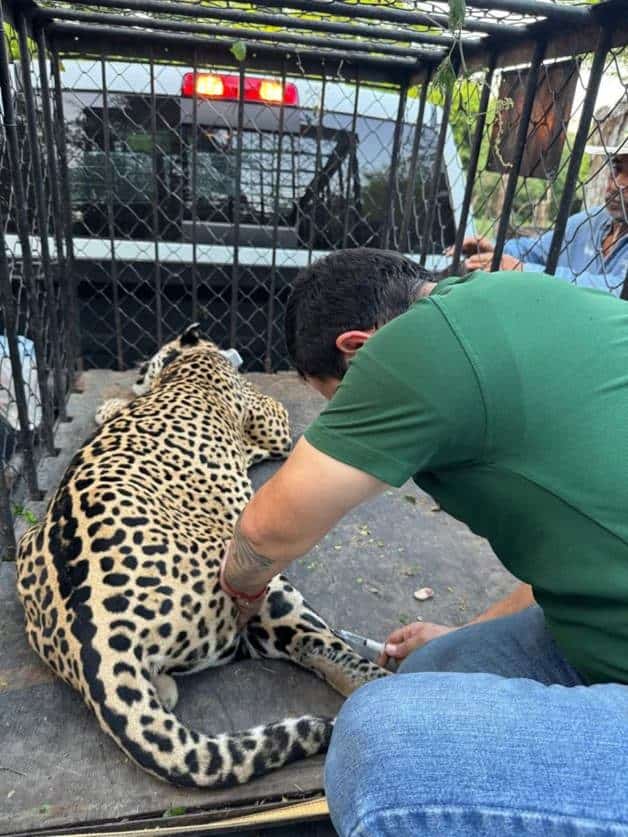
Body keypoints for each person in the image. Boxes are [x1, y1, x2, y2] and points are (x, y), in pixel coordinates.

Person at [219, 248, 628, 836]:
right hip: (602, 633)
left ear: (357, 347)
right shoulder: (521, 300)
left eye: (337, 399)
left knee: (381, 749)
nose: (345, 416)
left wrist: (239, 586)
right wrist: (468, 630)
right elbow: (571, 549)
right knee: (437, 669)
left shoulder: (412, 345)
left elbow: (267, 529)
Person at [453, 147, 628, 296]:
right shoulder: (592, 219)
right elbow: (539, 250)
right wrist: (496, 249)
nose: (617, 185)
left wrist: (525, 271)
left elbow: (617, 289)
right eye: (617, 168)